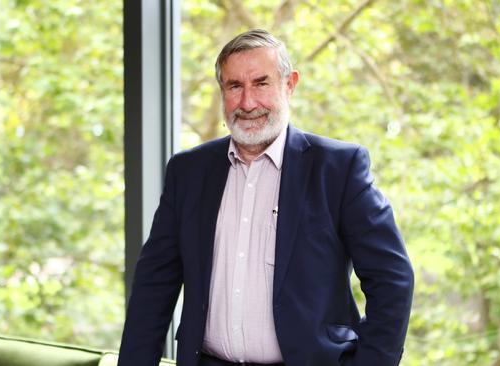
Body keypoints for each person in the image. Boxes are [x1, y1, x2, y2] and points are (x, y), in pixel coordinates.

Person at [118, 29, 414, 366]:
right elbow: (153, 288)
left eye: (261, 83)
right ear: (222, 92)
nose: (247, 102)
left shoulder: (339, 169)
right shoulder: (187, 172)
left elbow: (392, 280)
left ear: (289, 85)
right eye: (234, 86)